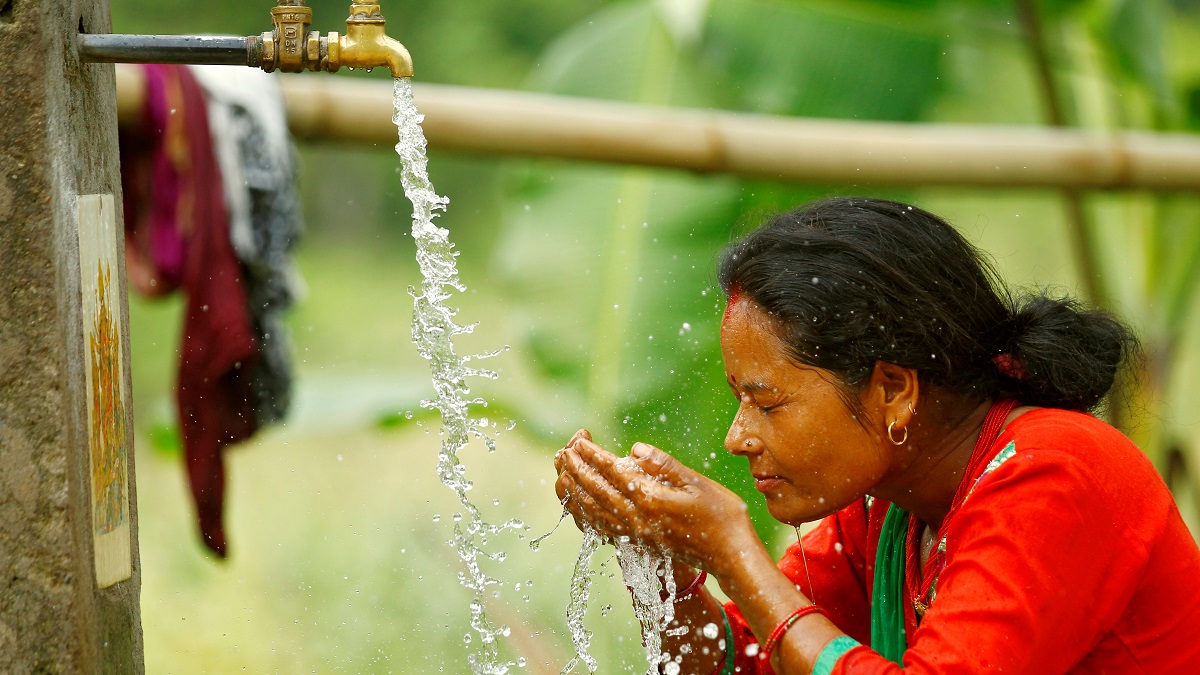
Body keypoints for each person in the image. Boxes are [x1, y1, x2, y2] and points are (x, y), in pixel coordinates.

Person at [553, 197, 1200, 674]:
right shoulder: (891, 508)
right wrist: (658, 562)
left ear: (893, 389)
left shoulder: (1053, 472)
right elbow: (745, 663)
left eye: (768, 403)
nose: (737, 437)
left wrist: (734, 553)